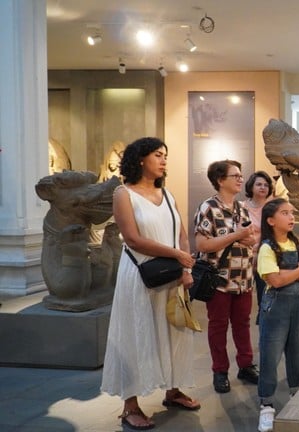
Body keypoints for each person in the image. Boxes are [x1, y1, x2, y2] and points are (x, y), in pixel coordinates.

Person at [101, 137, 200, 431]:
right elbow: (132, 238)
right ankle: (130, 405)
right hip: (141, 275)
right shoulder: (124, 194)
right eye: (158, 155)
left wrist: (184, 265)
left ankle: (173, 390)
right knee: (136, 333)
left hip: (171, 274)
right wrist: (178, 255)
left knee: (174, 330)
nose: (164, 160)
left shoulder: (167, 195)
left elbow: (181, 233)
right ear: (141, 159)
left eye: (165, 155)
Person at [193, 160, 259, 394]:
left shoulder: (241, 207)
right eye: (235, 176)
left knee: (243, 324)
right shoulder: (208, 207)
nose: (241, 179)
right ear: (221, 180)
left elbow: (251, 238)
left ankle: (246, 365)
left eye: (241, 175)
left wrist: (242, 237)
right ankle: (220, 370)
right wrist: (237, 236)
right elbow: (202, 244)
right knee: (218, 326)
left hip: (244, 277)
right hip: (219, 279)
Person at [256, 198, 299, 432]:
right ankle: (267, 404)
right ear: (271, 220)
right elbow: (275, 280)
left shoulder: (297, 241)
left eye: (291, 213)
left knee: (297, 350)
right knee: (271, 354)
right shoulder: (267, 248)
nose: (291, 217)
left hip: (296, 305)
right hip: (275, 307)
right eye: (284, 213)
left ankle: (296, 393)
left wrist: (296, 271)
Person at [243, 171, 275, 325]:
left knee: (265, 293)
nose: (263, 187)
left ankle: (263, 317)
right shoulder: (241, 207)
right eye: (259, 184)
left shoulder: (272, 208)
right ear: (251, 186)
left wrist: (261, 253)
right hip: (245, 255)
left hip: (265, 255)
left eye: (266, 185)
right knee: (243, 295)